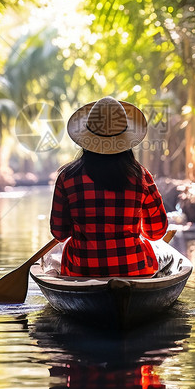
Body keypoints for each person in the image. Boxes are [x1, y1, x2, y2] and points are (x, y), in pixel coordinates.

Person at [49, 96, 168, 277]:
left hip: (81, 270)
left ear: (87, 139)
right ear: (126, 140)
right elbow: (156, 232)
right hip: (134, 269)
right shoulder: (141, 176)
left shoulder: (66, 177)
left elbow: (60, 233)